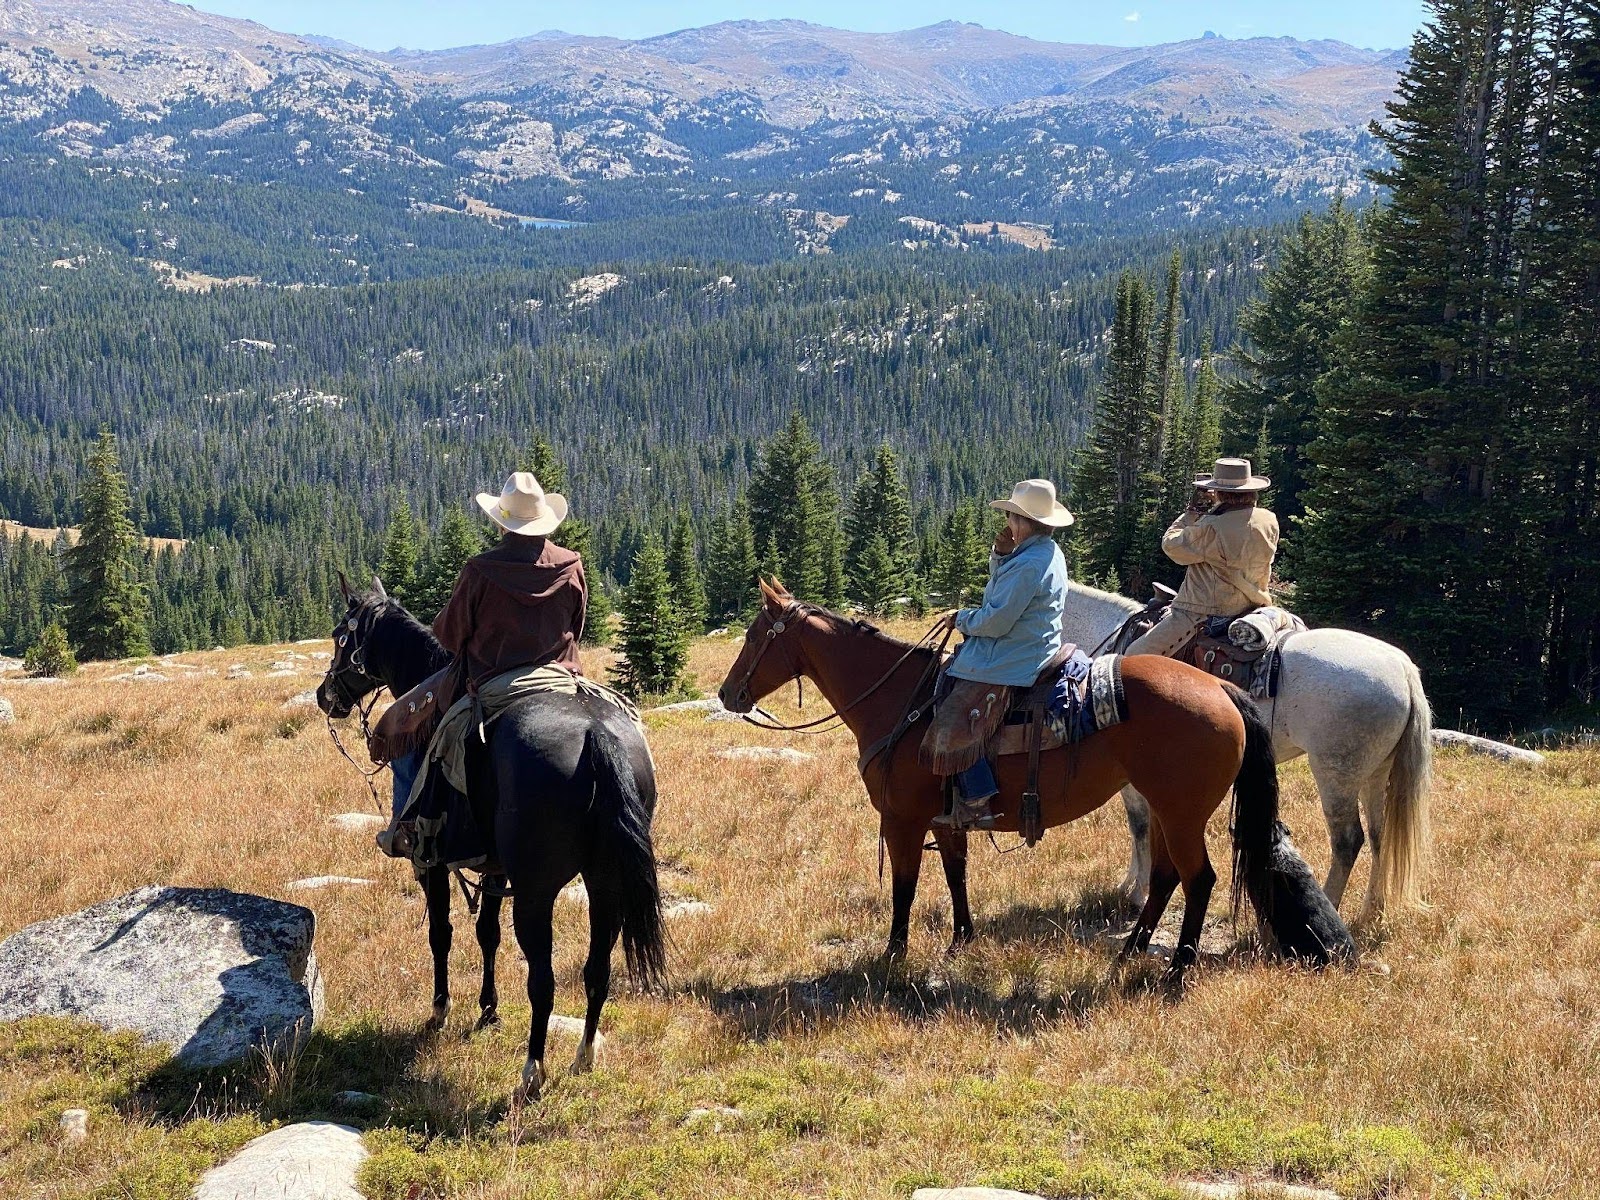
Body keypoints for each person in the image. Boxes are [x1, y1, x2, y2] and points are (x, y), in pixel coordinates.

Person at [386, 471, 587, 820]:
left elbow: (448, 636)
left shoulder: (480, 570)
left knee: (417, 742)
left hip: (494, 687)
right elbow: (577, 626)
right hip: (561, 679)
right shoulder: (571, 565)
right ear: (543, 521)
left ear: (502, 524)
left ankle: (413, 830)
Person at [927, 478, 1072, 830]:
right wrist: (1000, 555)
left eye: (1011, 516)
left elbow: (996, 619)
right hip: (1028, 642)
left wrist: (960, 618)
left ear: (1025, 521)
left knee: (952, 711)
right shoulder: (1040, 552)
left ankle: (977, 799)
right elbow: (1002, 592)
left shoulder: (1029, 563)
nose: (1008, 522)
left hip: (1013, 653)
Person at [1125, 456, 1278, 658]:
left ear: (1219, 493)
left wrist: (1191, 513)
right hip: (1254, 603)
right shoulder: (1268, 519)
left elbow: (1171, 545)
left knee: (1132, 657)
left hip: (1204, 612)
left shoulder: (1211, 527)